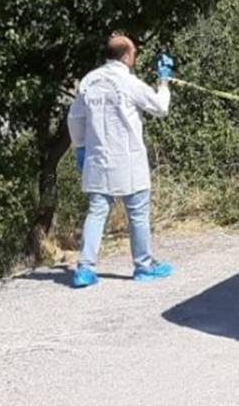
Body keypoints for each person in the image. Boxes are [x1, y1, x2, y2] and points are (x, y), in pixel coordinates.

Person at [67, 34, 176, 288]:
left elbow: (75, 118)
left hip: (97, 158)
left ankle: (85, 268)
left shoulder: (89, 81)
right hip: (128, 159)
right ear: (126, 55)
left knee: (96, 212)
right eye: (134, 53)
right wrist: (163, 81)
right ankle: (143, 265)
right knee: (137, 212)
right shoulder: (128, 82)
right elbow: (160, 107)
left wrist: (80, 147)